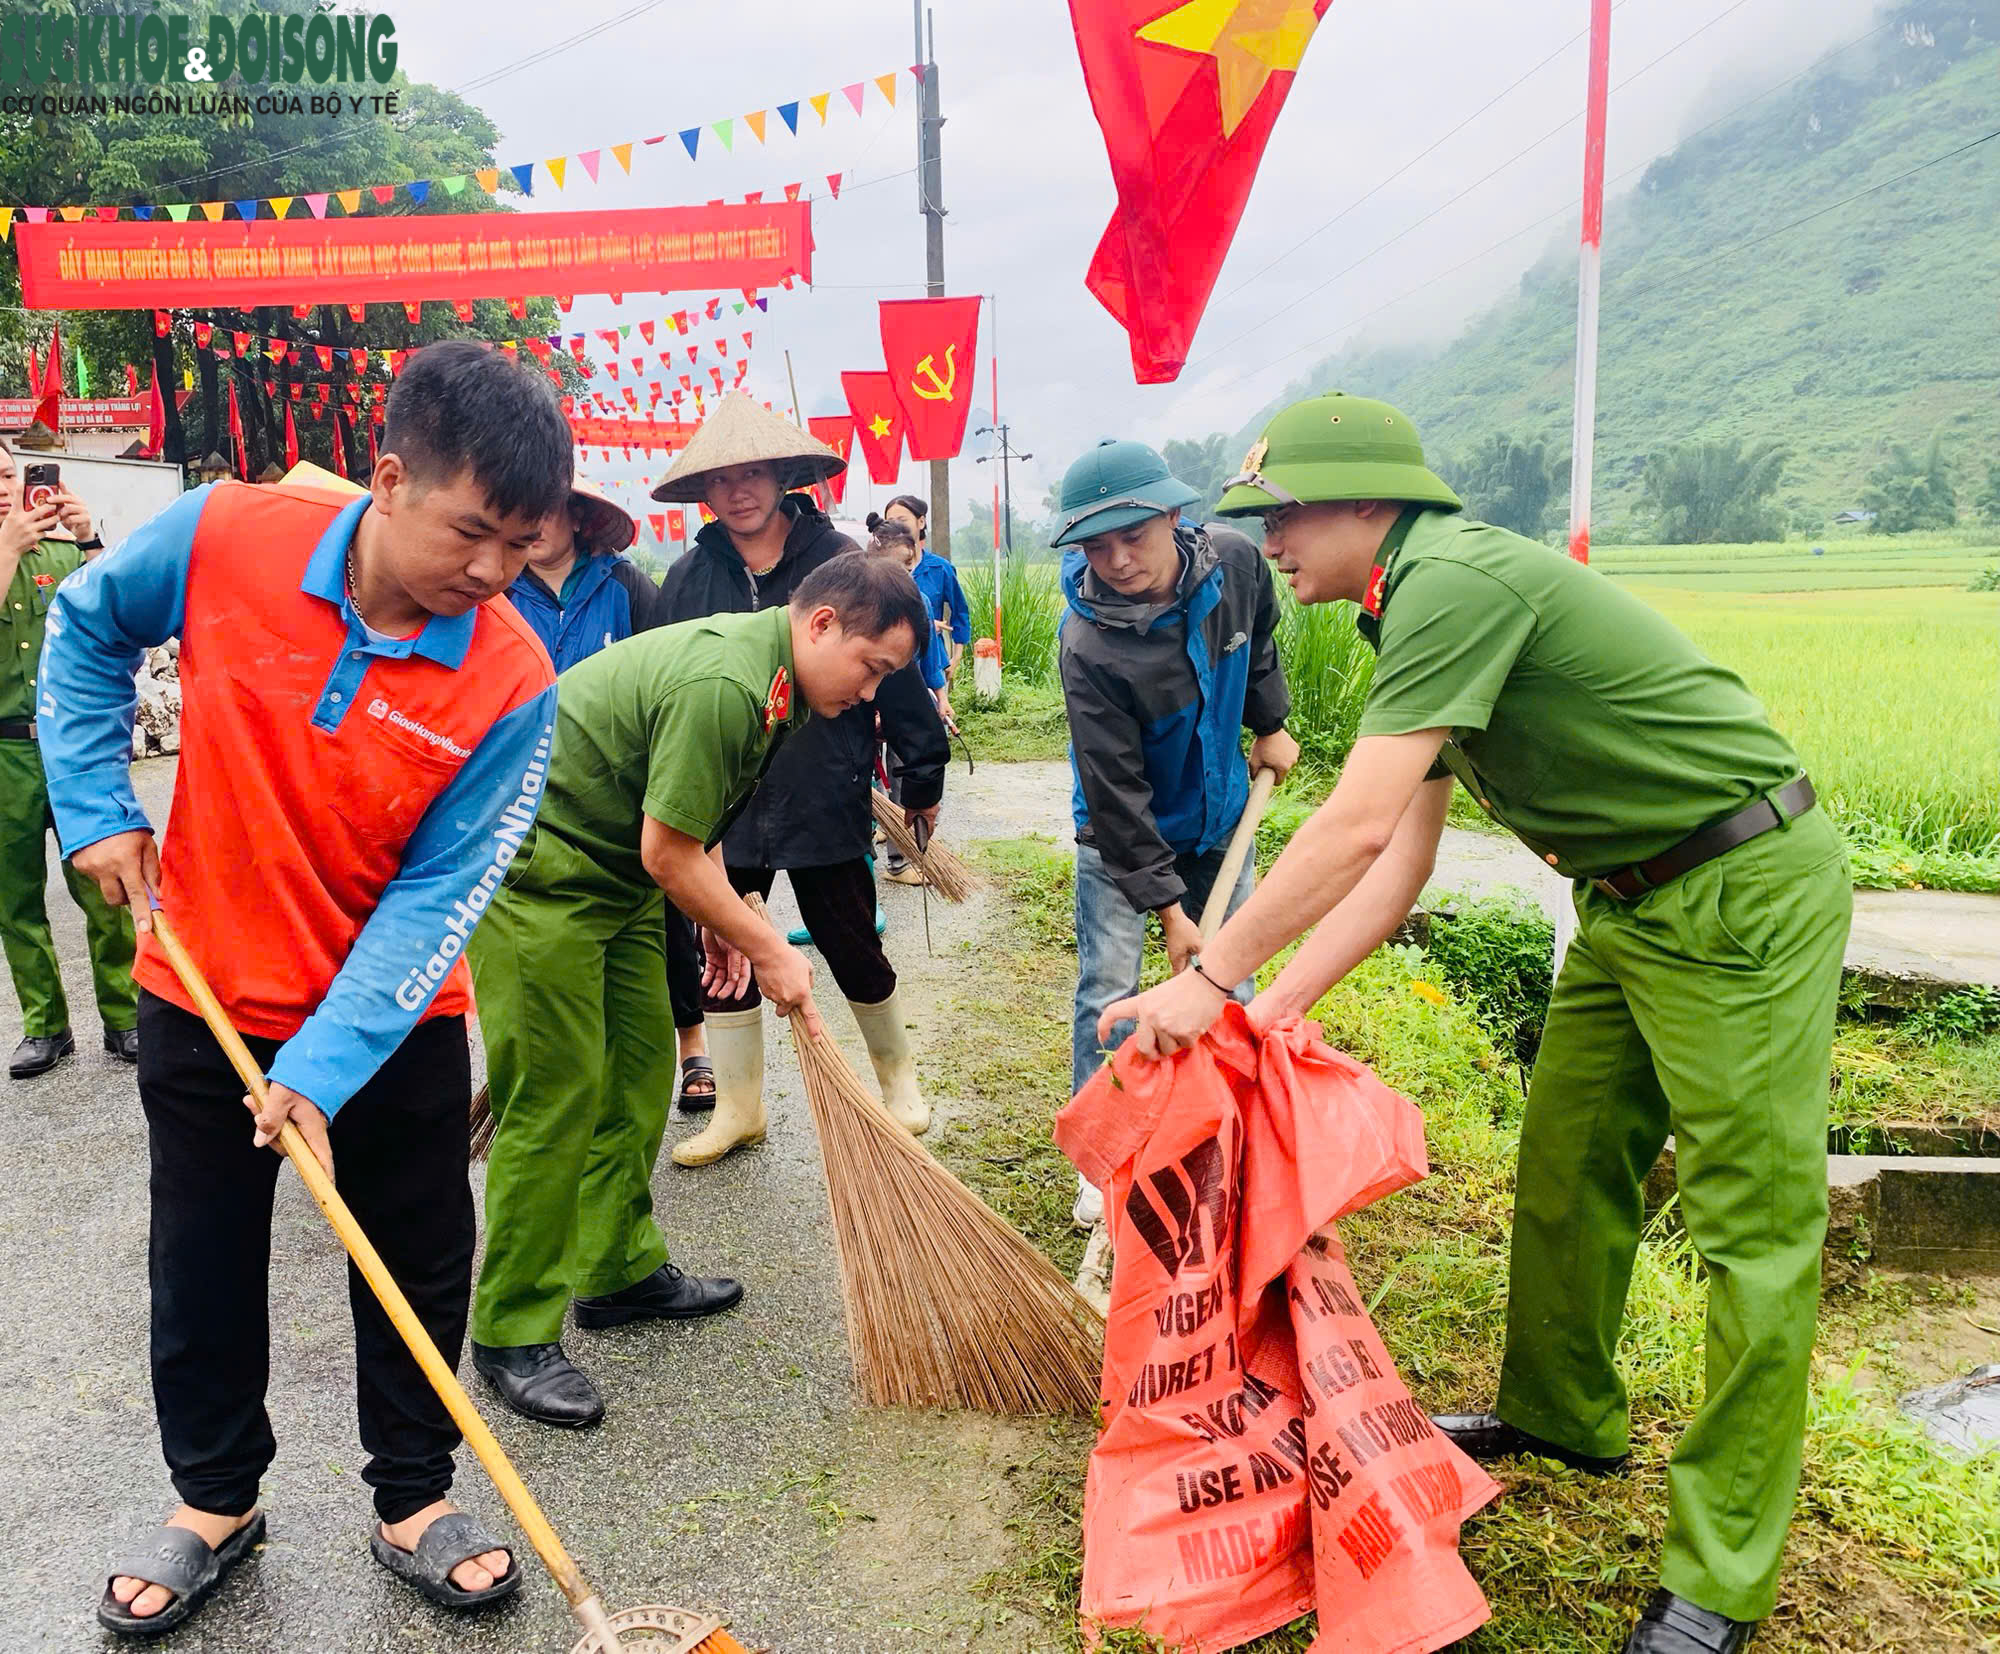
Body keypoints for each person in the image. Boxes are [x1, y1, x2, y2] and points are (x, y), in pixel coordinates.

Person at [1102, 392, 1851, 1654]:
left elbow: (1344, 822)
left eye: (1283, 513)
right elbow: (1397, 862)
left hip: (1738, 892)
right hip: (1625, 903)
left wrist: (1211, 976)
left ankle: (1718, 1576)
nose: (1268, 539)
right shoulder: (1410, 607)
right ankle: (1561, 1410)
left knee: (1752, 1229)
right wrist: (1270, 1009)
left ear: (1366, 502)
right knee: (1564, 1165)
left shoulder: (1452, 581)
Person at [41, 341, 571, 1636]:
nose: (497, 572)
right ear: (387, 479)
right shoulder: (226, 532)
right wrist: (98, 807)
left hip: (393, 1022)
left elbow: (436, 902)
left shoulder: (511, 678)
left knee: (417, 1257)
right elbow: (85, 630)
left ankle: (413, 1497)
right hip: (206, 986)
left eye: (523, 544)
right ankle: (216, 1499)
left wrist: (319, 1071)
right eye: (475, 533)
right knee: (201, 1261)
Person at [466, 556, 931, 1426]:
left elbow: (687, 820)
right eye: (872, 668)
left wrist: (721, 915)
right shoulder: (729, 677)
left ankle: (616, 1271)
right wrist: (770, 951)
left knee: (642, 1073)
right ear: (823, 625)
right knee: (555, 1094)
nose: (872, 695)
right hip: (542, 875)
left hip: (623, 877)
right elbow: (666, 850)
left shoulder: (775, 678)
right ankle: (511, 1330)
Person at [652, 394, 948, 1162]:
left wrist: (923, 772)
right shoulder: (686, 579)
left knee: (849, 938)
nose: (739, 491)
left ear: (784, 476)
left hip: (824, 786)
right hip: (722, 800)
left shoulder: (842, 564)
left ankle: (897, 1077)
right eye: (722, 480)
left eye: (754, 474)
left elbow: (901, 673)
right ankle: (740, 1107)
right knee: (724, 947)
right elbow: (664, 690)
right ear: (705, 494)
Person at [1050, 439, 1296, 1228]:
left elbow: (1255, 642)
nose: (1118, 560)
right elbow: (1115, 791)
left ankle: (1218, 1134)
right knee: (1113, 992)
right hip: (1118, 841)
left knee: (1231, 985)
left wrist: (1271, 723)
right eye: (1097, 545)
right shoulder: (1087, 643)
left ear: (1174, 516)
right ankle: (1105, 1157)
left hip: (1224, 816)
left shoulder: (1235, 563)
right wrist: (1169, 912)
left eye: (1134, 535)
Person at [504, 482, 713, 1110]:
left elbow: (668, 672)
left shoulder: (625, 588)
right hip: (530, 783)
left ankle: (691, 1041)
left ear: (579, 518)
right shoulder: (497, 593)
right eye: (525, 510)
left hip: (625, 781)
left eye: (548, 510)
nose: (536, 524)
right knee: (557, 921)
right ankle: (580, 1056)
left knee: (663, 905)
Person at [0, 439, 137, 1077]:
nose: (6, 486)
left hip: (69, 749)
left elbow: (121, 619)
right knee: (15, 899)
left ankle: (126, 1014)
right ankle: (45, 1027)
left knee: (104, 884)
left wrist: (89, 540)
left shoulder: (62, 552)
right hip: (4, 754)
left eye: (11, 474)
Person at [865, 511, 951, 887]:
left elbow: (930, 665)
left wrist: (941, 702)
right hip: (863, 711)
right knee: (864, 789)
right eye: (894, 564)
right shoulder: (858, 603)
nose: (902, 573)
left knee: (904, 783)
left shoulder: (919, 603)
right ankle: (868, 860)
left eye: (908, 564)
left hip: (906, 714)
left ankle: (901, 858)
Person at [885, 493, 971, 684]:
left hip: (933, 659)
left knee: (936, 710)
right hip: (891, 661)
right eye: (890, 521)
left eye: (902, 520)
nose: (897, 526)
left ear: (921, 522)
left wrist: (957, 656)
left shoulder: (940, 568)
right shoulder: (879, 570)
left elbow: (960, 611)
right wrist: (928, 623)